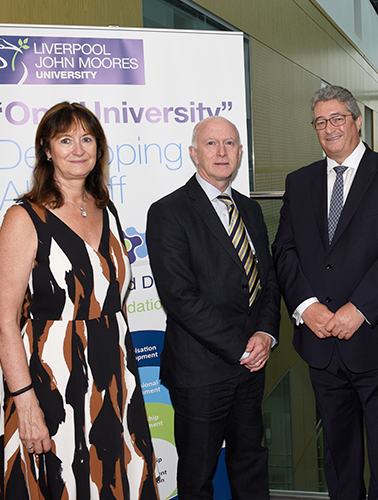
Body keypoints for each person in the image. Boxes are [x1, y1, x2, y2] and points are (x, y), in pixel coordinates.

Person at [0, 102, 159, 499]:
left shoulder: (108, 210)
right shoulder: (23, 218)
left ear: (99, 148)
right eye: (66, 139)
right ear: (47, 150)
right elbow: (3, 320)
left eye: (87, 139)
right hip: (53, 383)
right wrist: (25, 402)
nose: (78, 149)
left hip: (116, 378)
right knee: (65, 483)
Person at [271, 85, 378, 500]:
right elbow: (284, 250)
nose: (329, 128)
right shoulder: (299, 182)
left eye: (338, 118)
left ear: (358, 121)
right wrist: (307, 308)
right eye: (320, 122)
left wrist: (359, 309)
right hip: (320, 341)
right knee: (338, 456)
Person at [145, 115, 281, 499]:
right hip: (200, 371)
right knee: (197, 475)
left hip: (252, 365)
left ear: (240, 153)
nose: (221, 152)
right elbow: (179, 298)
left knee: (251, 463)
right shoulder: (168, 212)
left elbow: (267, 280)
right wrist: (240, 348)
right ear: (193, 153)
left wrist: (266, 335)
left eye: (230, 143)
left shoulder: (250, 210)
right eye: (211, 143)